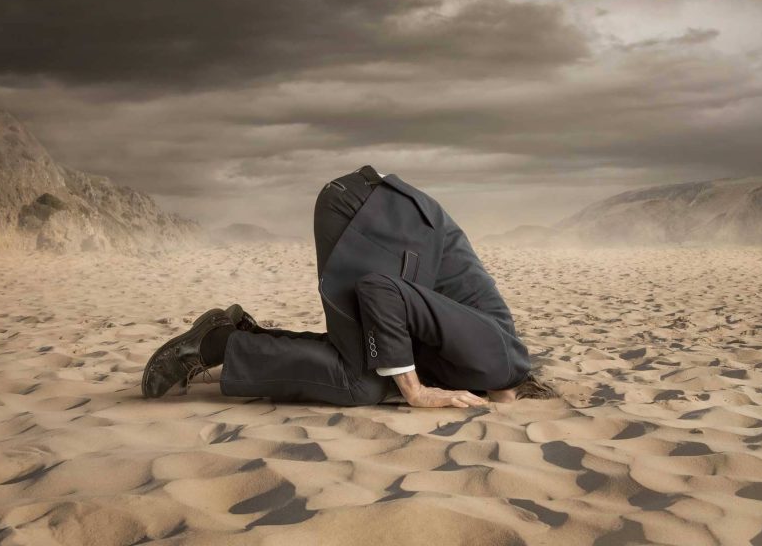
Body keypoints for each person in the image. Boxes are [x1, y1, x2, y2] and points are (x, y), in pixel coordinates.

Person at [142, 164, 558, 407]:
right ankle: (214, 345)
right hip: (366, 213)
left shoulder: (481, 361)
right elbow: (382, 291)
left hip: (380, 214)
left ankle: (237, 338)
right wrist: (415, 394)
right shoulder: (497, 360)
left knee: (371, 366)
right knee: (363, 382)